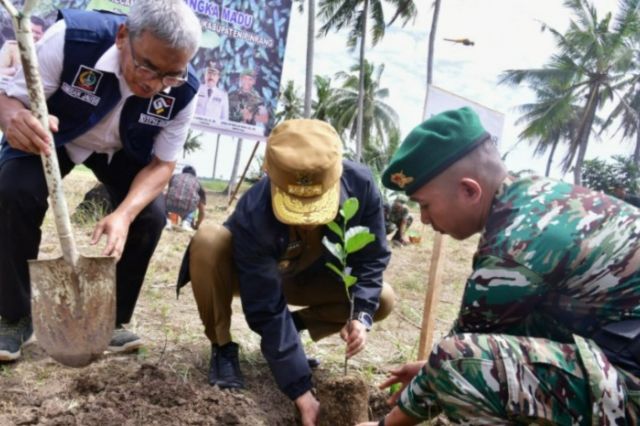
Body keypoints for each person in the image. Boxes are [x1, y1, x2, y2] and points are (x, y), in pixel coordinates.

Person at [359, 107, 640, 425]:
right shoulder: (532, 200)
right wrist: (430, 367)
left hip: (628, 382)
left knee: (462, 367)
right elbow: (479, 330)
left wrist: (386, 423)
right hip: (619, 356)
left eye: (425, 204)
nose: (422, 218)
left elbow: (459, 359)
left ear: (469, 190)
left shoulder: (515, 245)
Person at [0, 0, 202, 361]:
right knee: (14, 190)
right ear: (124, 36)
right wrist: (13, 117)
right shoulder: (72, 40)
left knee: (150, 216)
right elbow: (10, 100)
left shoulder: (184, 91)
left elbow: (162, 165)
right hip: (56, 136)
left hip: (123, 150)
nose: (155, 84)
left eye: (170, 74)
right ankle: (12, 317)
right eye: (147, 67)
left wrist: (123, 214)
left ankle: (112, 320)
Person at [177, 119, 395, 426]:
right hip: (253, 278)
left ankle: (290, 334)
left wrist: (360, 317)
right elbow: (265, 306)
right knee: (209, 240)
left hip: (312, 277)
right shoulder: (254, 209)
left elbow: (372, 259)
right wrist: (302, 395)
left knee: (382, 298)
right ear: (270, 174)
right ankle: (222, 347)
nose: (307, 220)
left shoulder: (361, 185)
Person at [165, 165, 206, 230]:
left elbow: (169, 192)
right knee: (196, 202)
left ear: (182, 172)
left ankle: (166, 220)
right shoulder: (198, 182)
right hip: (187, 209)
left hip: (170, 206)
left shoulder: (174, 177)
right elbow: (202, 211)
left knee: (164, 198)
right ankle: (187, 222)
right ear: (194, 175)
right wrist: (197, 225)